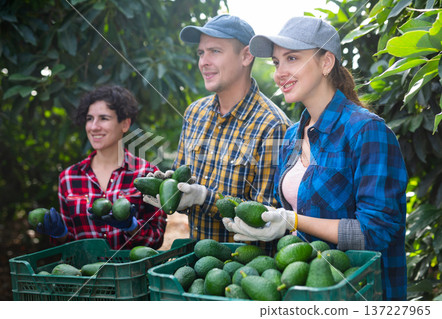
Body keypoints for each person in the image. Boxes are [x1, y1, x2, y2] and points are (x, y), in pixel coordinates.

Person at [223, 17, 408, 301]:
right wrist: (269, 221)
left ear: (326, 63)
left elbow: (375, 233)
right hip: (306, 291)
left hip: (358, 293)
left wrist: (292, 220)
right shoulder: (291, 138)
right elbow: (291, 216)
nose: (279, 73)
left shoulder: (366, 131)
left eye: (292, 58)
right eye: (276, 62)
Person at [144, 14, 291, 255]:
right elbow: (184, 190)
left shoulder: (272, 126)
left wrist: (203, 198)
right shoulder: (195, 114)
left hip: (248, 270)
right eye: (201, 53)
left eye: (214, 51)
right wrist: (175, 192)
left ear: (245, 56)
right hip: (197, 268)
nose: (204, 61)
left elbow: (266, 216)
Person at [35, 85, 167, 250]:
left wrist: (132, 227)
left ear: (125, 124)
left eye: (104, 118)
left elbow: (156, 238)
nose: (93, 126)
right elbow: (69, 247)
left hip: (132, 274)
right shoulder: (68, 178)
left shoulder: (147, 174)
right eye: (90, 118)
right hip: (85, 274)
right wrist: (59, 234)